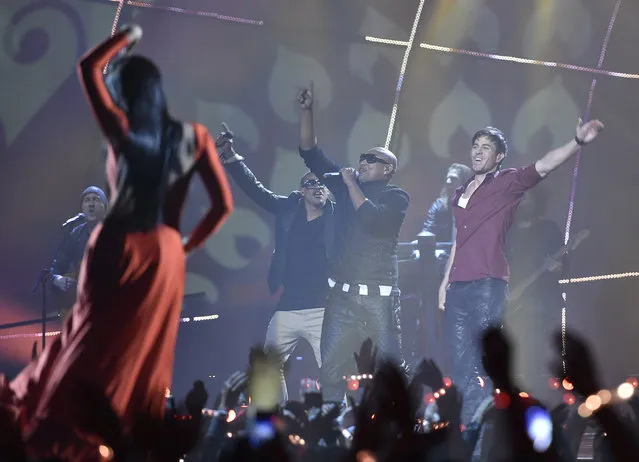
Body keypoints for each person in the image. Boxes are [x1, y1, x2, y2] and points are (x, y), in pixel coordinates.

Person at [2, 24, 233, 459]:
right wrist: (184, 247)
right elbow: (222, 207)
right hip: (165, 254)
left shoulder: (123, 130)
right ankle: (120, 434)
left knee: (89, 332)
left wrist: (127, 33)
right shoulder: (196, 137)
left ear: (125, 93)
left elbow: (87, 67)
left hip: (119, 241)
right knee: (140, 344)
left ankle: (65, 426)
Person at [439, 120, 603, 424]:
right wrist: (444, 281)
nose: (478, 152)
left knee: (483, 359)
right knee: (460, 363)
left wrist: (576, 141)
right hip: (457, 287)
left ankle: (489, 429)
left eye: (486, 147)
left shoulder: (506, 183)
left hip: (488, 283)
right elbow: (458, 241)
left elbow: (544, 166)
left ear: (499, 156)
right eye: (475, 146)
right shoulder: (460, 192)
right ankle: (468, 429)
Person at [297, 84, 409, 401]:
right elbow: (310, 154)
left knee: (391, 371)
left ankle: (401, 431)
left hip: (379, 301)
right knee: (330, 371)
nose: (361, 162)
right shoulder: (348, 184)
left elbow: (371, 219)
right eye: (361, 158)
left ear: (388, 169)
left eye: (371, 159)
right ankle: (333, 433)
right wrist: (307, 111)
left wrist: (349, 183)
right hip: (341, 298)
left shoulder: (395, 196)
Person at [216, 128, 333, 401]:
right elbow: (257, 192)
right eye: (312, 184)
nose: (319, 188)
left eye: (323, 184)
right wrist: (233, 159)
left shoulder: (336, 218)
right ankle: (278, 419)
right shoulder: (289, 208)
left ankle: (339, 419)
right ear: (302, 191)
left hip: (324, 307)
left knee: (332, 368)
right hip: (289, 306)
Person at [504, 190, 565, 401]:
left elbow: (565, 265)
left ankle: (542, 402)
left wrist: (557, 267)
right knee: (516, 355)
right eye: (520, 198)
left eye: (529, 197)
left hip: (542, 305)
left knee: (540, 355)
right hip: (513, 306)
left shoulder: (548, 230)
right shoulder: (506, 233)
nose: (524, 202)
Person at [50, 186, 107, 320]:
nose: (91, 204)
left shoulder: (114, 230)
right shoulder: (75, 233)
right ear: (82, 207)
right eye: (87, 200)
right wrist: (57, 279)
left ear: (104, 206)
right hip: (82, 298)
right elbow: (56, 265)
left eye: (96, 200)